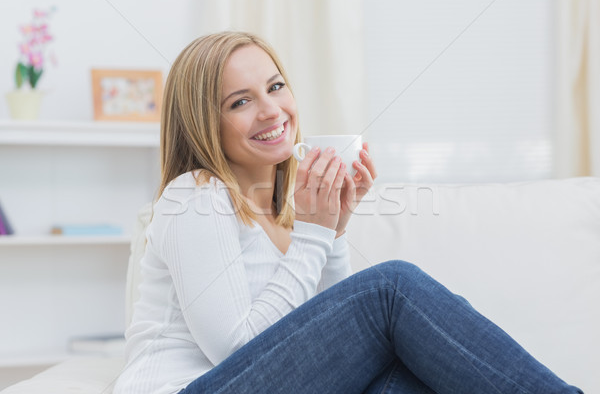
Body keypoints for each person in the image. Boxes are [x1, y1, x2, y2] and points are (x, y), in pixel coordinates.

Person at [114, 31, 583, 394]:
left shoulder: (283, 218)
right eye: (240, 101)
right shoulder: (194, 195)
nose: (272, 110)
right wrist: (315, 234)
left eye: (276, 87)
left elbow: (336, 346)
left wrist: (334, 229)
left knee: (397, 378)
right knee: (391, 287)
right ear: (203, 123)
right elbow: (237, 350)